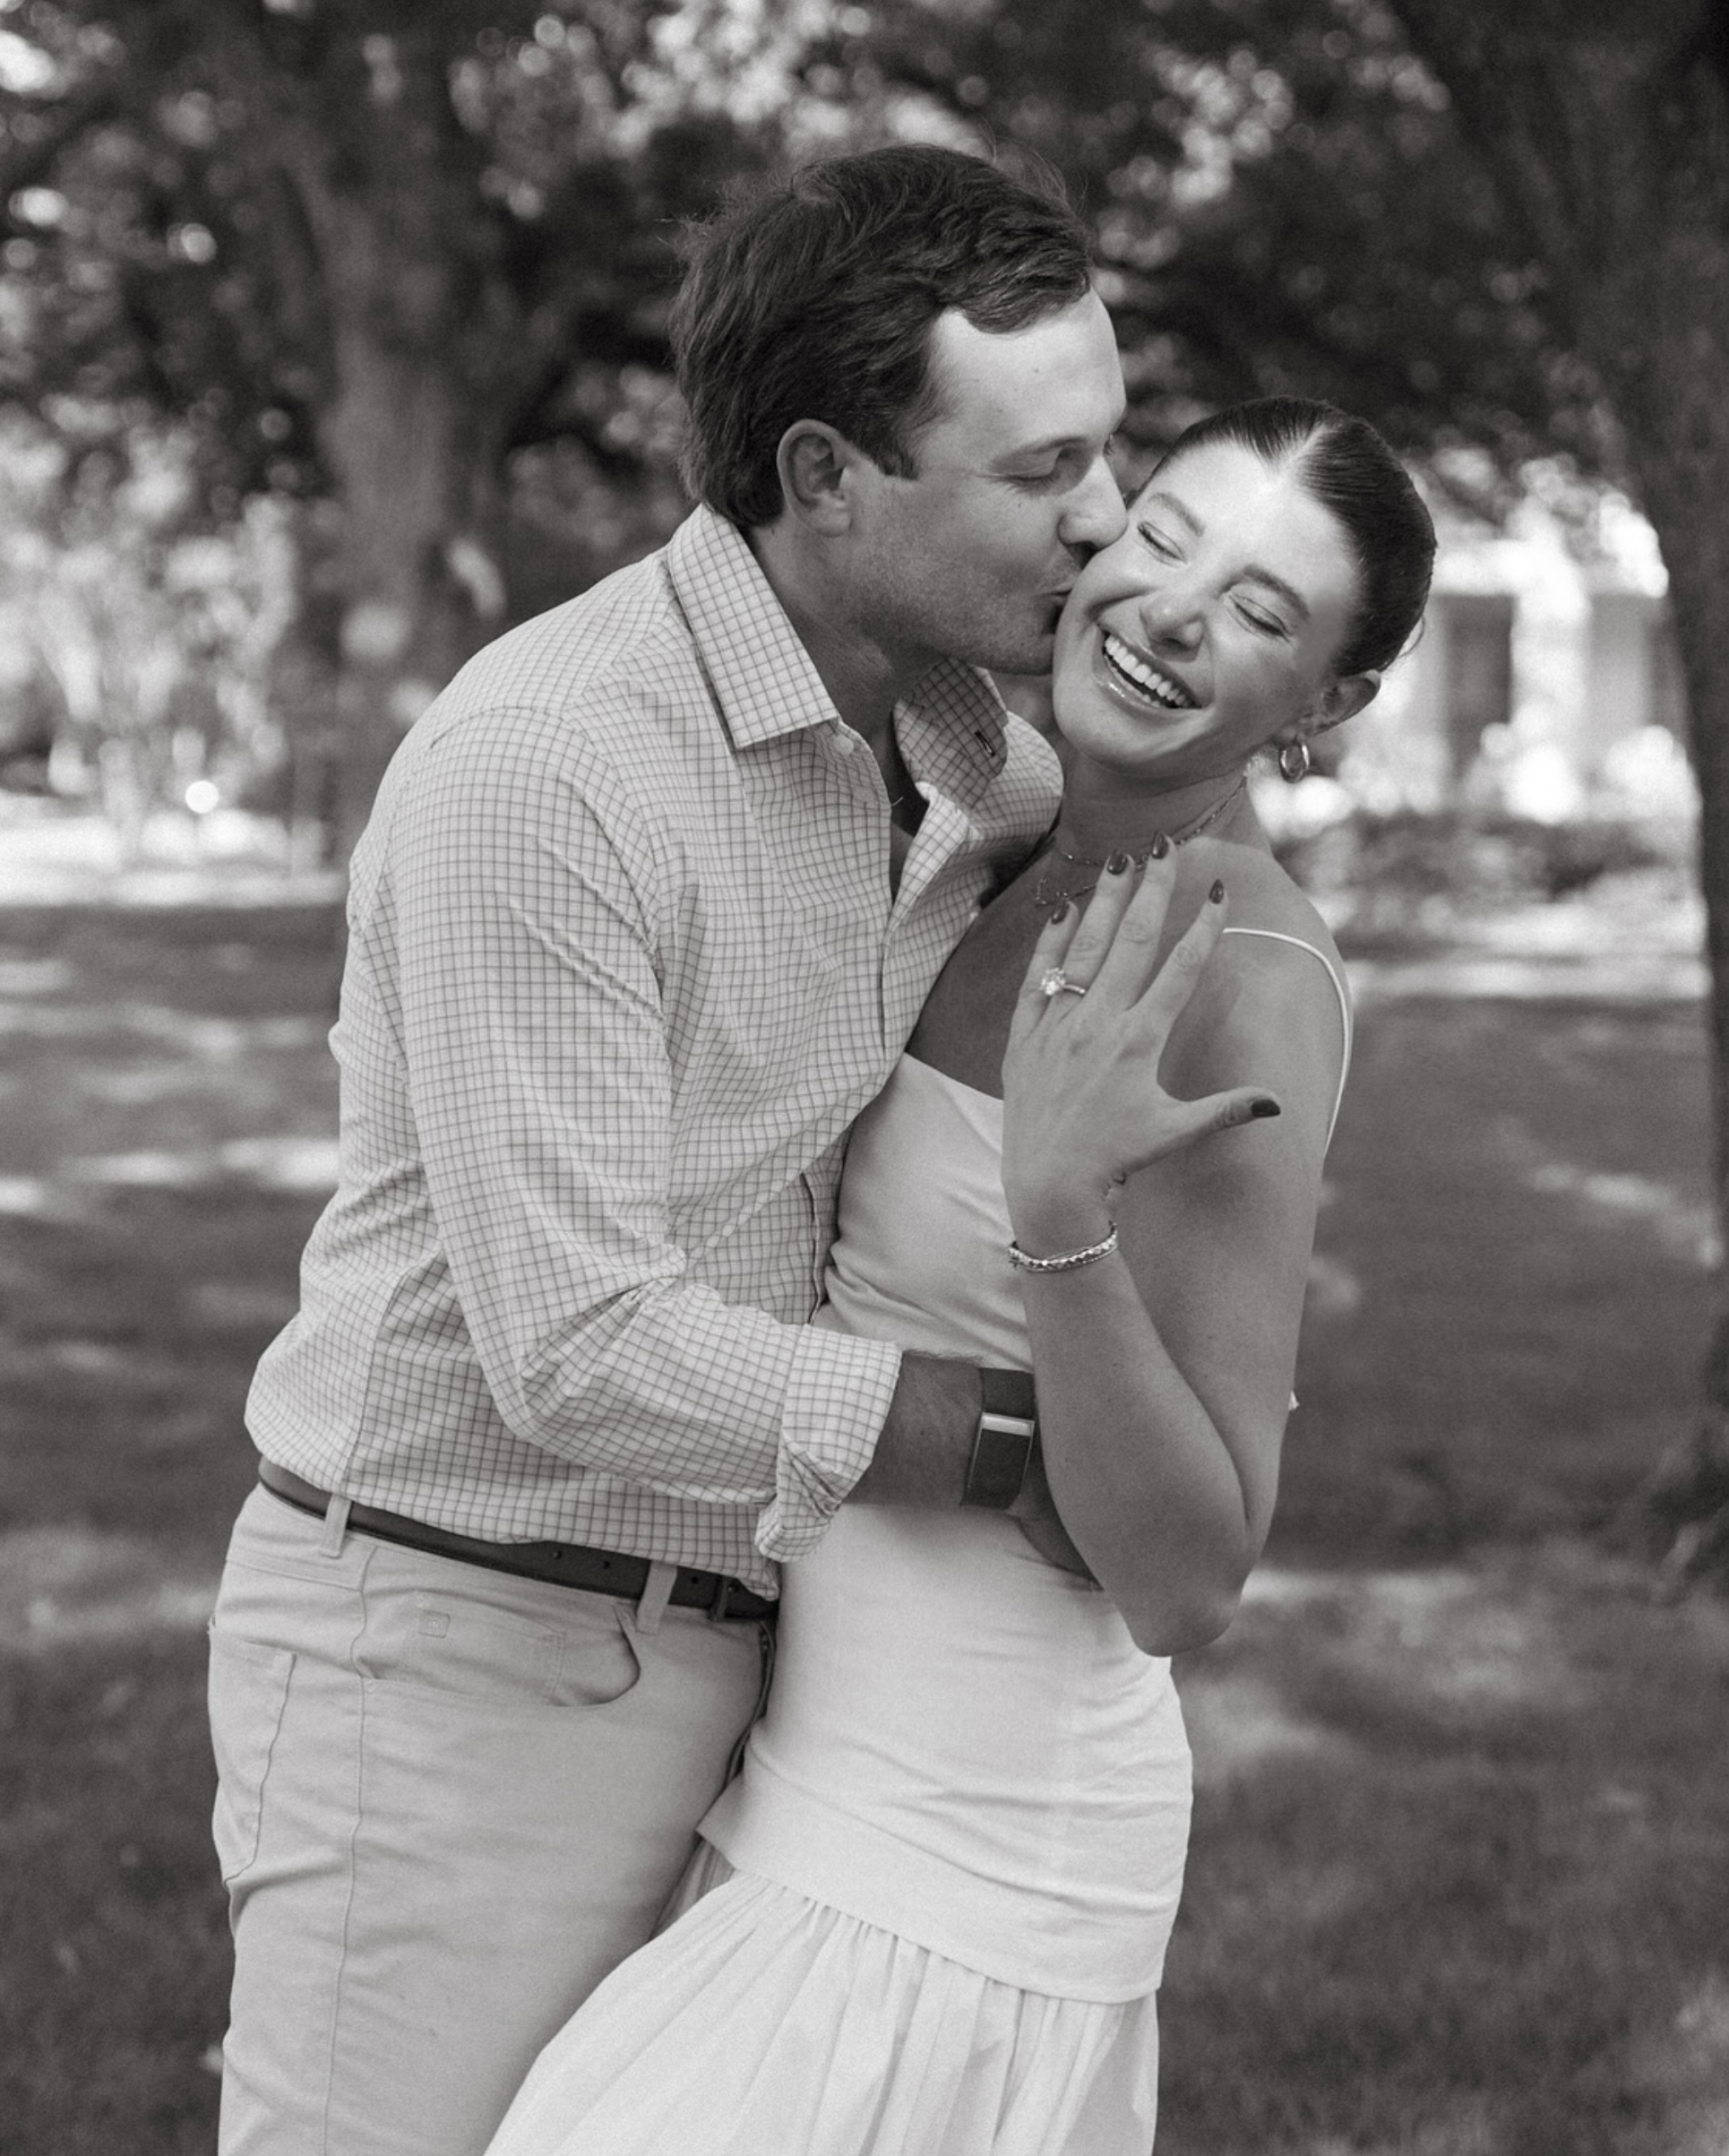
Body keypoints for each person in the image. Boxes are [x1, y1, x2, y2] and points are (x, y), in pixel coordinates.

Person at [204, 144, 1132, 2156]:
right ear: (825, 476)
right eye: (1045, 469)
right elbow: (578, 1343)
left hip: (784, 1677)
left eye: (1110, 451)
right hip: (457, 1657)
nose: (1107, 518)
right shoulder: (549, 766)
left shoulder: (976, 759)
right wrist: (1016, 1447)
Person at [480, 396, 1439, 2155]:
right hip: (811, 1789)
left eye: (1259, 610)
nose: (1169, 612)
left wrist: (1059, 1204)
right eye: (1165, 537)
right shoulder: (998, 850)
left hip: (971, 1852)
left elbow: (1190, 1572)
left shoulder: (1241, 974)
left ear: (1329, 703)